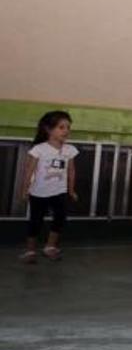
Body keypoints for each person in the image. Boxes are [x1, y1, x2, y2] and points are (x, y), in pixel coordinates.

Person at [19, 111, 78, 263]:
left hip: (59, 192)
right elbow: (28, 171)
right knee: (36, 221)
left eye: (68, 127)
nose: (66, 131)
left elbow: (71, 171)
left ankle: (50, 246)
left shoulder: (69, 149)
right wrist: (24, 190)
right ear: (48, 129)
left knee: (60, 218)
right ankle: (30, 250)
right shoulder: (39, 149)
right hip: (39, 192)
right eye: (61, 127)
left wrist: (71, 190)